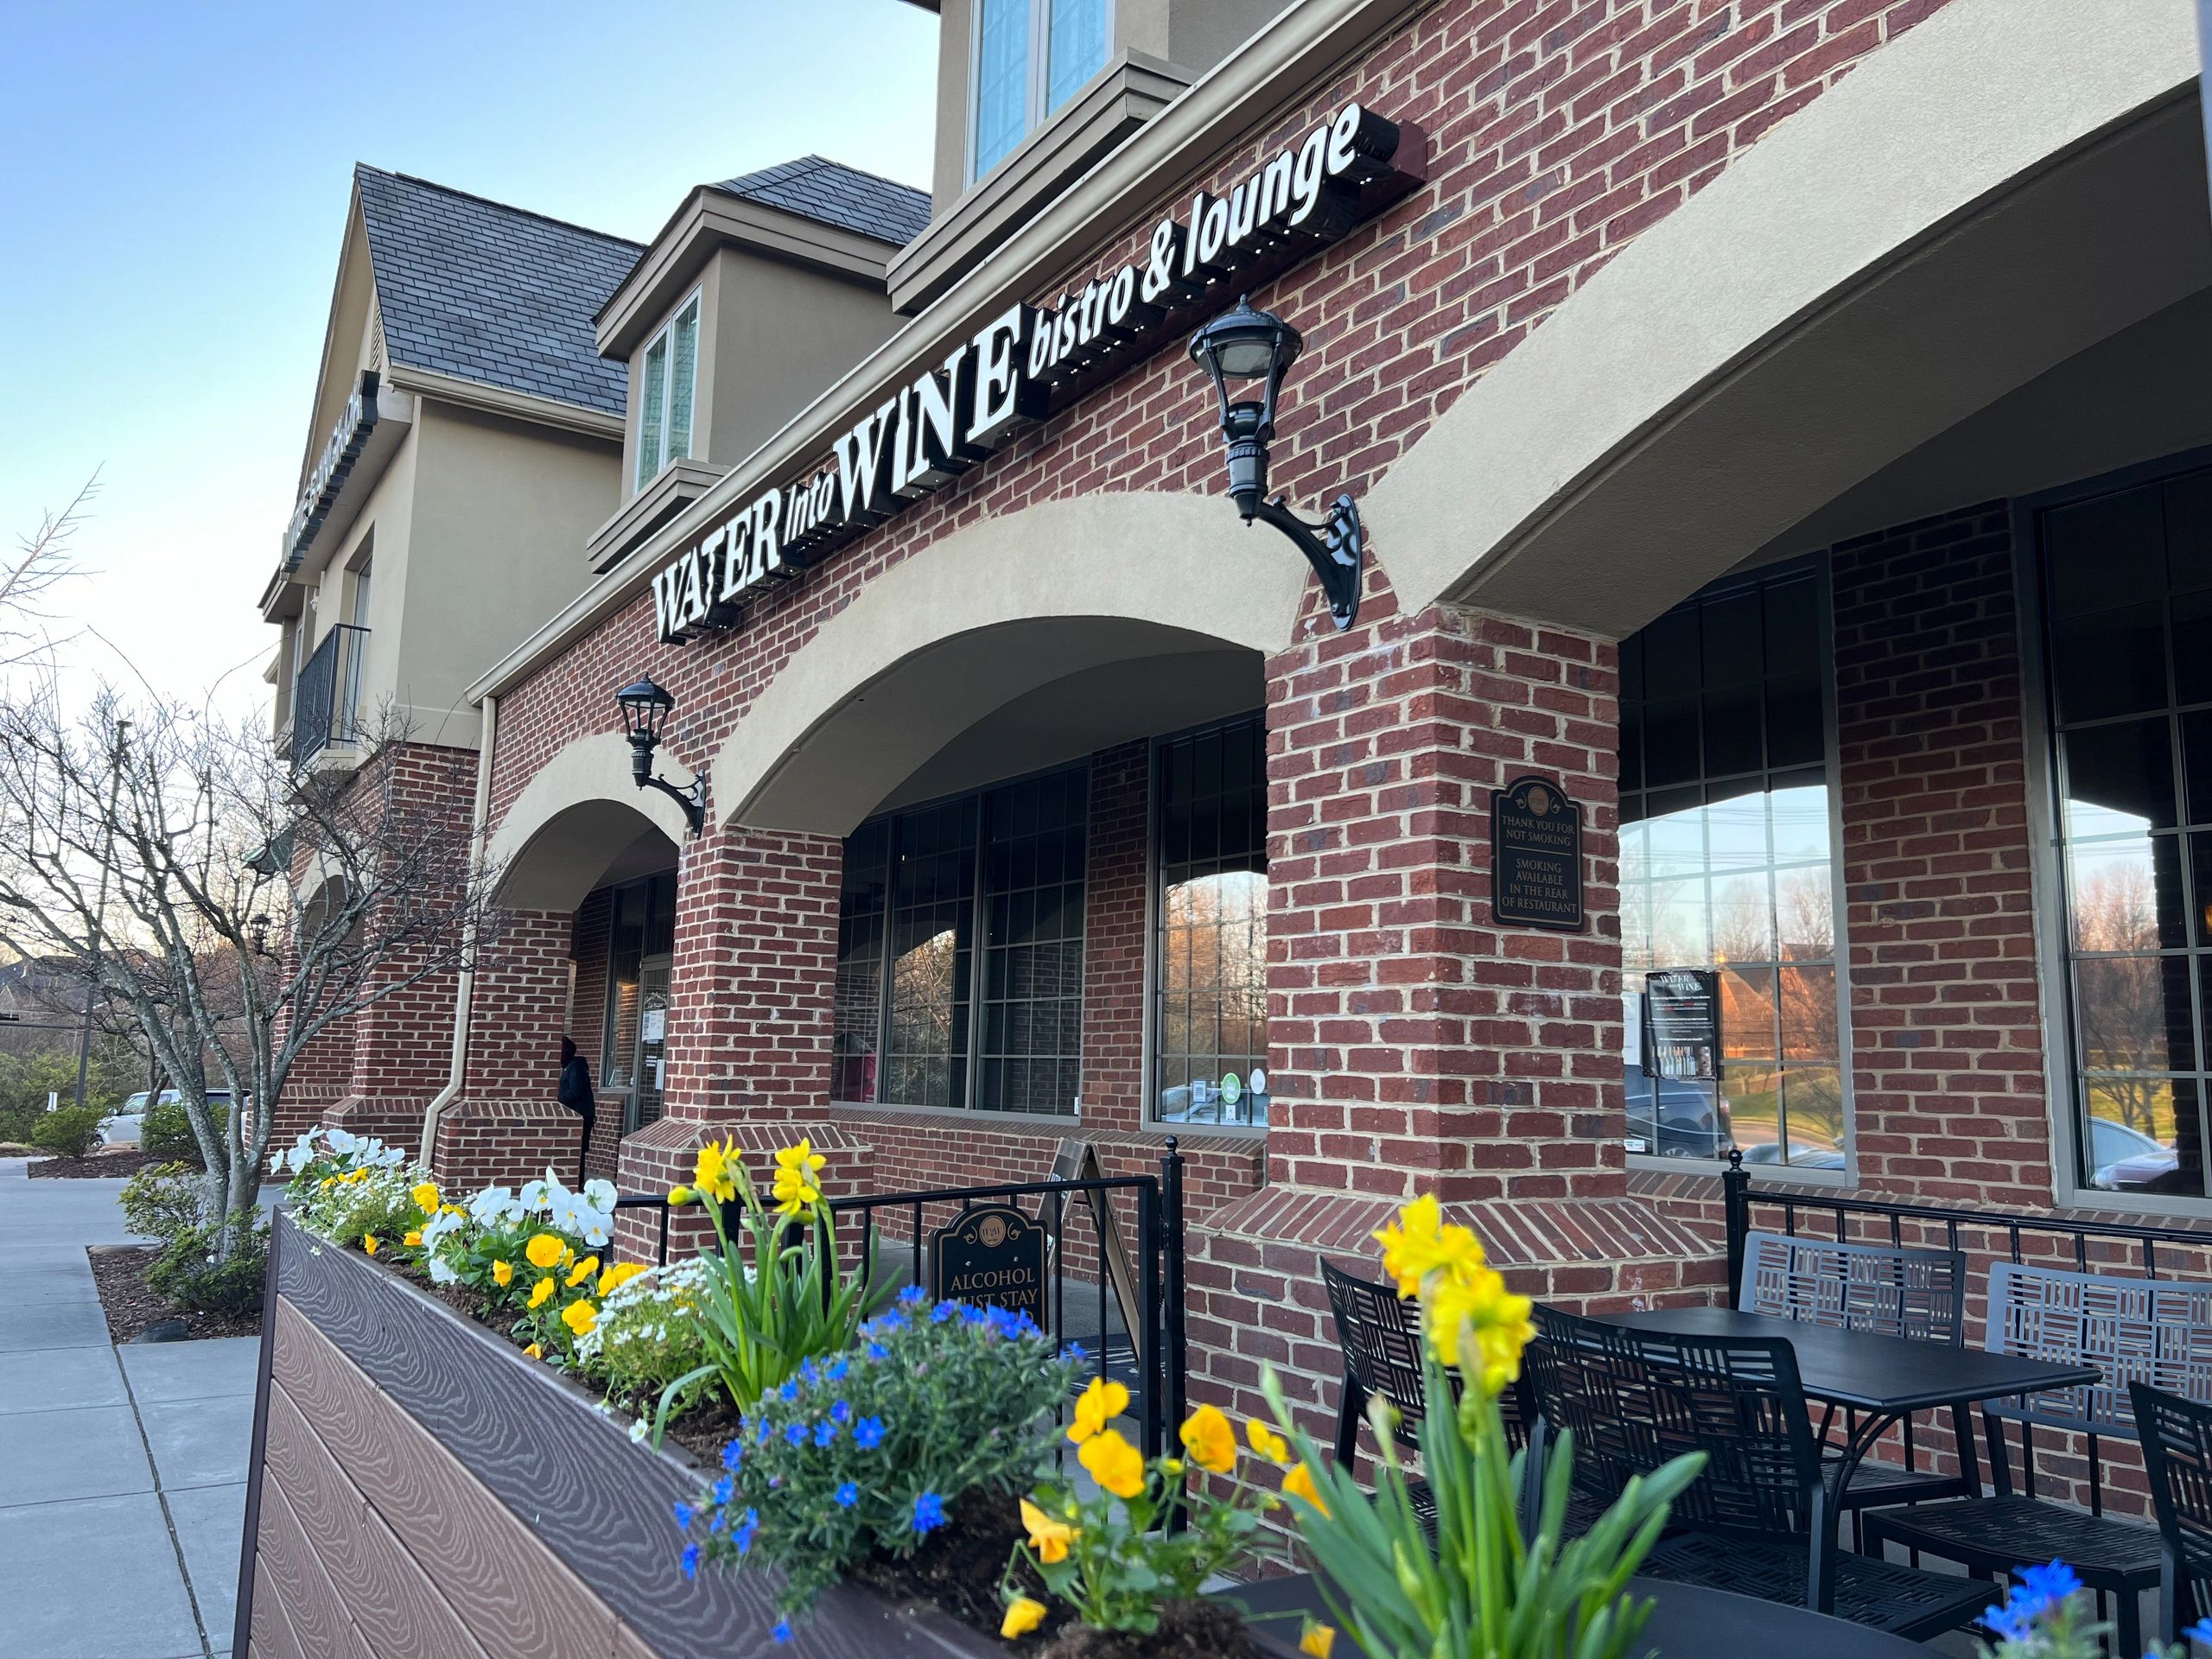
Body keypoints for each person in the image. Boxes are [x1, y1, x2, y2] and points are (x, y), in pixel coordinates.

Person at [558, 1036, 595, 1189]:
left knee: (578, 1149)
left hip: (580, 1114)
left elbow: (576, 1091)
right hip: (578, 1113)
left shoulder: (575, 1067)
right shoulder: (569, 1067)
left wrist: (558, 1101)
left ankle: (577, 1183)